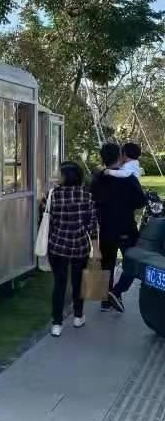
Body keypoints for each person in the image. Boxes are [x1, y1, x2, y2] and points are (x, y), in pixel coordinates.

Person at [90, 143, 147, 312]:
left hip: (106, 227)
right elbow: (141, 202)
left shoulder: (98, 179)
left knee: (107, 263)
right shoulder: (128, 178)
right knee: (134, 262)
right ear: (120, 156)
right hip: (126, 226)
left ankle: (105, 302)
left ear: (102, 158)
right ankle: (116, 291)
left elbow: (93, 201)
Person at [47, 162, 98, 337]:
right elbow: (92, 225)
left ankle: (57, 324)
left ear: (65, 176)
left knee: (59, 284)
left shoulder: (53, 195)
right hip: (80, 246)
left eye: (59, 173)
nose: (57, 175)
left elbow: (46, 219)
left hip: (57, 246)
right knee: (78, 282)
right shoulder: (87, 195)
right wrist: (96, 248)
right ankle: (78, 316)